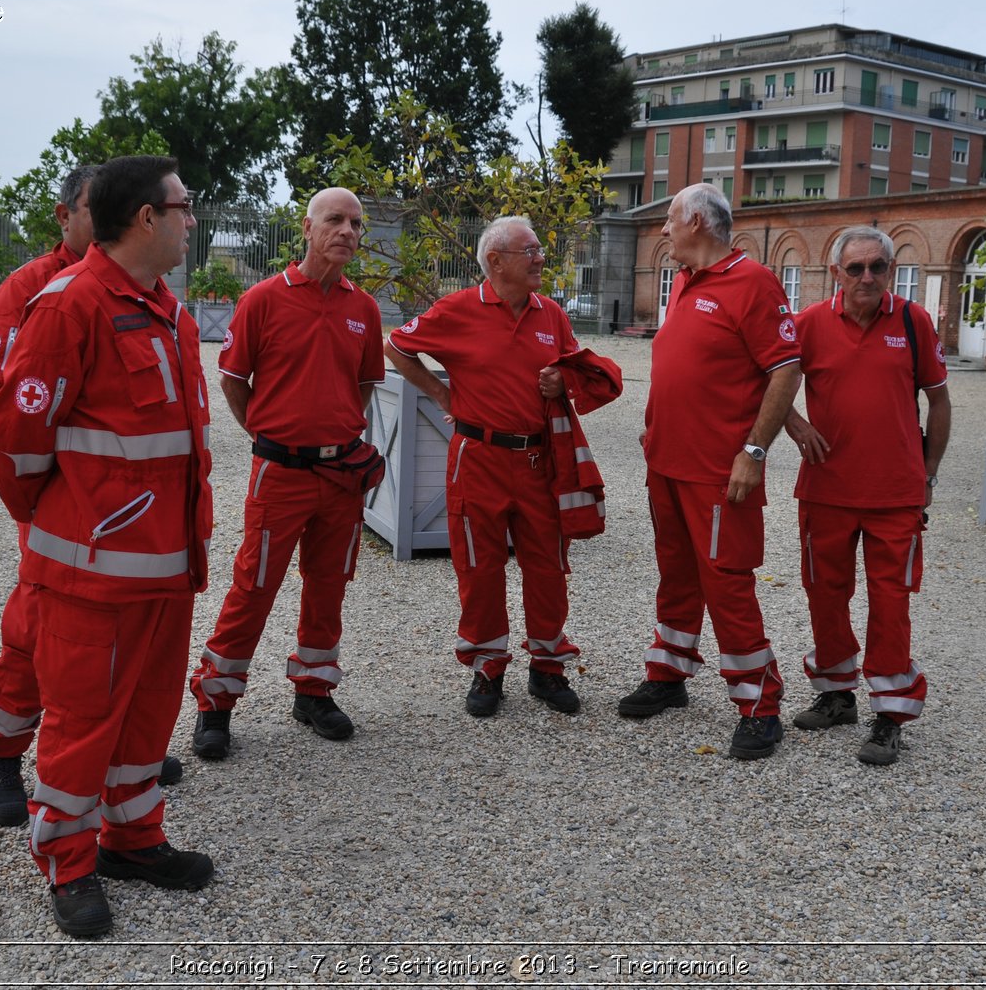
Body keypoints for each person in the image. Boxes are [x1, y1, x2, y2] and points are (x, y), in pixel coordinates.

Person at [0, 155, 214, 937]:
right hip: (90, 576)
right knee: (81, 726)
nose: (192, 219)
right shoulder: (67, 305)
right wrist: (66, 524)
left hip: (164, 572)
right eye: (184, 206)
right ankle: (69, 865)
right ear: (146, 217)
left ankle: (133, 840)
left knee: (147, 719)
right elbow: (17, 447)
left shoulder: (168, 310)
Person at [0, 167, 184, 827]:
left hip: (122, 521)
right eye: (90, 208)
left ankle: (115, 760)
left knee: (115, 650)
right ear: (67, 216)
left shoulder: (150, 289)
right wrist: (40, 508)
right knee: (37, 633)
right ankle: (0, 746)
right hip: (64, 511)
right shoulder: (38, 290)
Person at [189, 188, 385, 759]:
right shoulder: (263, 300)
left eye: (355, 222)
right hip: (280, 474)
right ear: (306, 227)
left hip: (342, 477)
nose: (348, 230)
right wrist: (269, 436)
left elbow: (366, 384)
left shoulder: (364, 309)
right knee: (254, 586)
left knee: (329, 587)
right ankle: (216, 701)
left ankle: (314, 690)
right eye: (335, 220)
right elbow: (232, 380)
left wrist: (337, 434)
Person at [616, 183, 801, 761]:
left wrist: (754, 451)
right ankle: (670, 672)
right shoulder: (687, 282)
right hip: (667, 464)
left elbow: (786, 368)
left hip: (720, 472)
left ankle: (759, 702)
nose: (664, 230)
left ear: (697, 221)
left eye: (670, 220)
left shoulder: (753, 283)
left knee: (726, 580)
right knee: (677, 573)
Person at [384, 216, 587, 717]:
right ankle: (488, 667)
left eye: (540, 249)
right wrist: (439, 393)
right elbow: (396, 346)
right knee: (479, 564)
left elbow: (574, 369)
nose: (541, 258)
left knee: (547, 565)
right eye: (531, 250)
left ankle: (548, 666)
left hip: (539, 459)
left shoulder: (552, 315)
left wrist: (563, 381)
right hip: (477, 459)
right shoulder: (457, 310)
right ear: (495, 262)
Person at [781, 225, 950, 766]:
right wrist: (795, 425)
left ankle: (890, 714)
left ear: (892, 269)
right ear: (836, 273)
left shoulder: (912, 320)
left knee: (890, 602)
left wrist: (927, 476)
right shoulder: (807, 324)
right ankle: (836, 695)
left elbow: (940, 403)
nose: (868, 277)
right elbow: (765, 385)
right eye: (856, 268)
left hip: (894, 495)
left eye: (878, 266)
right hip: (826, 490)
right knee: (824, 593)